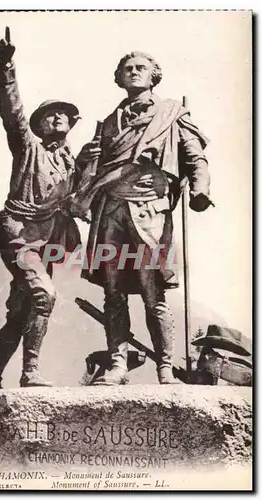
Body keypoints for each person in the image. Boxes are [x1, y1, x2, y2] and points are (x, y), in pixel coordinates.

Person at [72, 51, 212, 385]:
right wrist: (82, 160)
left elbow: (196, 157)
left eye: (141, 68)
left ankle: (165, 367)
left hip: (149, 210)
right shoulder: (107, 123)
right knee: (113, 290)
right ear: (119, 78)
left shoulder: (171, 114)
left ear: (154, 76)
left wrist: (200, 189)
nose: (134, 73)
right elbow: (90, 172)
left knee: (153, 291)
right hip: (110, 211)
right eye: (127, 70)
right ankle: (117, 364)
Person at [0, 28, 82, 400]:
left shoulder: (73, 164)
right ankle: (30, 373)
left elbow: (85, 198)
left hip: (48, 241)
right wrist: (6, 66)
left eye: (64, 116)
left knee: (20, 314)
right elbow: (13, 111)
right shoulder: (27, 147)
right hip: (19, 233)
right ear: (38, 125)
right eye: (50, 115)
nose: (57, 119)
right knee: (44, 296)